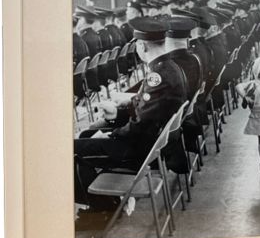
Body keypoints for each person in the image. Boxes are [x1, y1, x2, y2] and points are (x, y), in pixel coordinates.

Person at [74, 17, 188, 212]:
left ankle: (102, 211)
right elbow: (147, 111)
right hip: (151, 145)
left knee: (73, 149)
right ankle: (107, 203)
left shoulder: (158, 75)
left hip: (139, 150)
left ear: (143, 46)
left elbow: (140, 126)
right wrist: (116, 114)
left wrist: (111, 134)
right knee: (85, 137)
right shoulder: (169, 67)